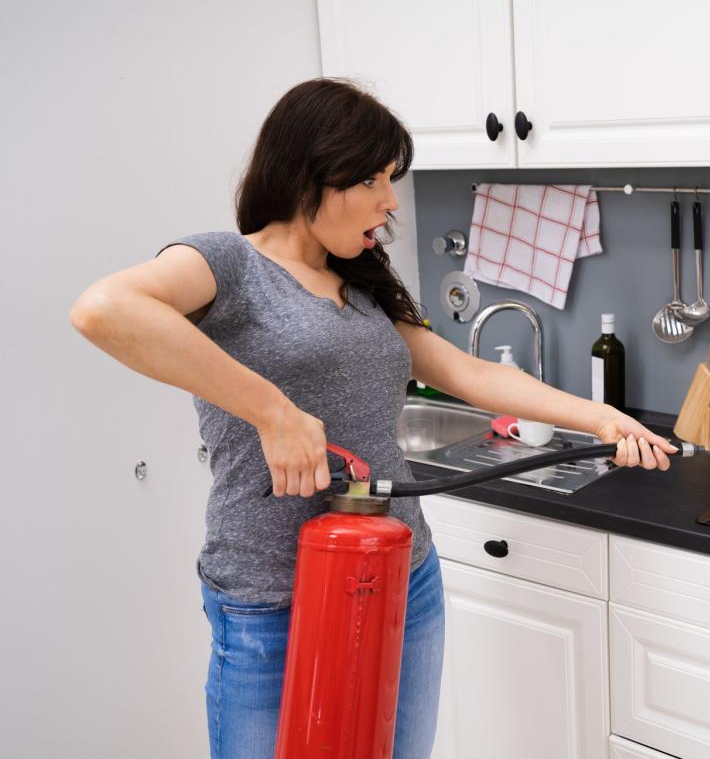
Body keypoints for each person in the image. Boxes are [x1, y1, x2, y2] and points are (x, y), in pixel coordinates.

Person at [69, 78, 676, 759]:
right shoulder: (227, 264)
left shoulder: (360, 282)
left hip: (401, 575)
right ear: (314, 175)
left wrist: (601, 418)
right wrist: (273, 412)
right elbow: (103, 309)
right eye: (375, 179)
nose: (391, 201)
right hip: (273, 598)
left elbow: (470, 373)